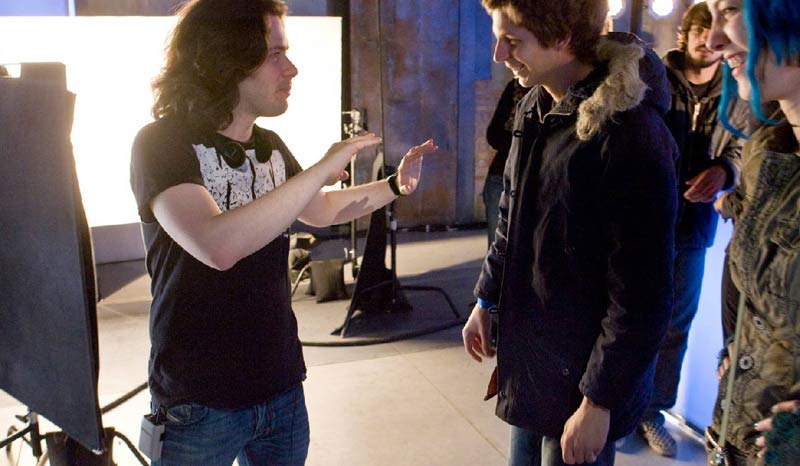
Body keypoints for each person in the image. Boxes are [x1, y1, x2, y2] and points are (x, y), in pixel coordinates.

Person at [129, 0, 437, 464]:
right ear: (227, 59)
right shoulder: (162, 143)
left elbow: (321, 208)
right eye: (275, 54)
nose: (290, 69)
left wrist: (394, 186)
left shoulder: (270, 146)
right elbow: (217, 246)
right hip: (198, 399)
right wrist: (319, 170)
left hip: (280, 387)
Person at [461, 0, 678, 464]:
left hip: (584, 376)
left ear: (561, 37)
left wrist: (599, 401)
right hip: (534, 360)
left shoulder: (630, 131)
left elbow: (643, 294)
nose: (499, 55)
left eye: (512, 41)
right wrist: (486, 298)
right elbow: (511, 215)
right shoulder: (535, 104)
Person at [638, 2, 747, 457]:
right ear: (686, 33)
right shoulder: (654, 78)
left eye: (715, 30)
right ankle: (617, 403)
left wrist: (724, 171)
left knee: (676, 326)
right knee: (630, 316)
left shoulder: (735, 90)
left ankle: (653, 411)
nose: (708, 40)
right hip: (643, 224)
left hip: (695, 229)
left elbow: (742, 147)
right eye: (701, 29)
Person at [705, 0, 800, 464]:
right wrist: (741, 346)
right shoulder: (768, 147)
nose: (712, 40)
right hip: (736, 440)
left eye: (728, 10)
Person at [485, 78, 527, 247]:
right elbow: (493, 134)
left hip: (534, 179)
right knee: (498, 246)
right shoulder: (516, 87)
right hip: (502, 174)